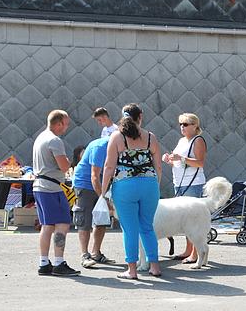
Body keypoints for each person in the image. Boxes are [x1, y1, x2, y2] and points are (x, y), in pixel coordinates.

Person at [101, 103, 162, 279]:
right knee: (147, 227)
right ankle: (155, 267)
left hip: (125, 186)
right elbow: (158, 165)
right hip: (149, 185)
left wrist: (103, 191)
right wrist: (155, 184)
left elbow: (109, 166)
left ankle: (132, 270)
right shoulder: (151, 137)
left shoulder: (117, 137)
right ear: (140, 116)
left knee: (130, 229)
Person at [32, 110, 80, 277]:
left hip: (40, 186)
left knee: (47, 226)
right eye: (66, 124)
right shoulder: (55, 140)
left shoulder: (40, 138)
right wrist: (69, 162)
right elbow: (64, 167)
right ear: (58, 123)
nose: (66, 128)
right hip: (52, 188)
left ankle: (44, 262)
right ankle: (59, 262)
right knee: (62, 224)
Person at [162, 113, 207, 263]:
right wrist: (169, 159)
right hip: (180, 183)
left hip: (193, 183)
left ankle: (195, 253)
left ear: (195, 126)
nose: (182, 127)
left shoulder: (198, 140)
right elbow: (179, 162)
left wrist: (180, 158)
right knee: (185, 219)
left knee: (192, 220)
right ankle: (189, 250)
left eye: (186, 124)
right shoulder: (182, 141)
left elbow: (200, 163)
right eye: (181, 124)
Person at [71, 135, 112, 268]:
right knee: (85, 220)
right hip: (84, 185)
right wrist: (103, 198)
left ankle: (96, 253)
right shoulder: (100, 147)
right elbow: (94, 177)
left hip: (102, 185)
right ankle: (85, 255)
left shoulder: (118, 147)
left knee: (102, 219)